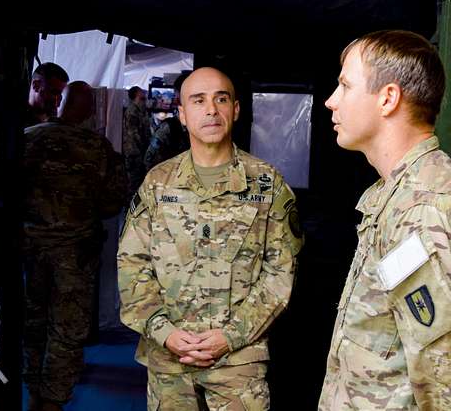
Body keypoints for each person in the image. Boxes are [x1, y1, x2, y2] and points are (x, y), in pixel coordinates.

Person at [118, 67, 302, 410]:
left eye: (221, 99)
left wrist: (230, 337)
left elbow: (280, 274)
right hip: (168, 361)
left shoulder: (267, 183)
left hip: (238, 364)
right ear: (183, 115)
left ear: (235, 109)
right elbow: (132, 264)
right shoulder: (158, 182)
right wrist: (164, 332)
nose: (211, 110)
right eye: (198, 101)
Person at [319, 30, 451, 410]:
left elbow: (441, 377)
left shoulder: (422, 210)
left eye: (345, 85)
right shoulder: (396, 194)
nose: (331, 101)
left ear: (388, 98)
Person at [22, 81, 127, 410]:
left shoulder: (27, 138)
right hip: (75, 254)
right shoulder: (99, 148)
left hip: (30, 250)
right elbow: (113, 203)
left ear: (60, 103)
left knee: (34, 324)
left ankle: (34, 390)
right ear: (91, 110)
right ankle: (53, 402)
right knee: (66, 330)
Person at [122, 86, 151, 197]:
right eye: (141, 99)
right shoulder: (132, 112)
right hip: (134, 153)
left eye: (144, 98)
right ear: (133, 99)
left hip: (139, 151)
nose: (144, 101)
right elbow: (133, 135)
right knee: (133, 182)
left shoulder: (141, 111)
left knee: (138, 180)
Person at [25, 62, 69, 128]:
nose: (57, 103)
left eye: (60, 95)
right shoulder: (13, 117)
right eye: (54, 92)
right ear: (36, 85)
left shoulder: (53, 118)